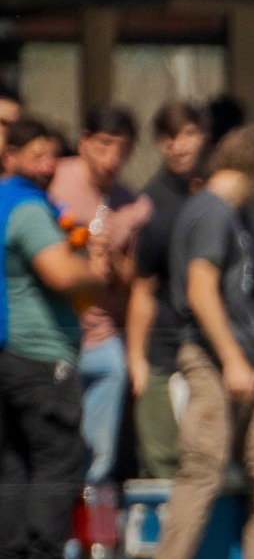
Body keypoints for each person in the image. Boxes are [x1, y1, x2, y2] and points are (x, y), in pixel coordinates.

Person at [150, 126, 254, 559]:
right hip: (214, 356)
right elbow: (199, 288)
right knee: (204, 464)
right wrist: (231, 358)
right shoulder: (210, 210)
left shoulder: (234, 215)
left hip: (252, 357)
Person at [0, 117, 103, 559]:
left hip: (8, 354)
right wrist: (95, 267)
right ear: (10, 156)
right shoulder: (26, 206)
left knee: (14, 463)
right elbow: (61, 274)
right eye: (35, 154)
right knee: (56, 459)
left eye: (51, 156)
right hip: (40, 354)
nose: (45, 166)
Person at [48, 104, 147, 484]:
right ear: (85, 141)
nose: (113, 158)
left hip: (104, 339)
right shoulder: (54, 179)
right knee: (55, 449)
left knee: (99, 457)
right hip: (56, 336)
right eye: (104, 145)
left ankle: (89, 538)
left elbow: (135, 285)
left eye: (123, 148)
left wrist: (113, 258)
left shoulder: (134, 204)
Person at [126, 100, 211, 478]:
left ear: (203, 138)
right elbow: (141, 291)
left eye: (188, 134)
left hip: (213, 350)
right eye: (170, 137)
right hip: (162, 351)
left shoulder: (218, 196)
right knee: (161, 461)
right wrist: (136, 362)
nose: (180, 146)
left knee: (209, 462)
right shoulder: (149, 204)